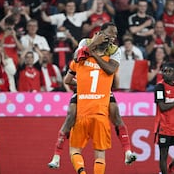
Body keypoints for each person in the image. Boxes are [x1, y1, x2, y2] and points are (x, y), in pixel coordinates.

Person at [48, 23, 137, 169]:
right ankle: (56, 155)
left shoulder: (115, 50)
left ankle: (127, 151)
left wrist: (93, 53)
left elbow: (111, 70)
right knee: (70, 115)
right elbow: (77, 58)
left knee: (115, 114)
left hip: (102, 88)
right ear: (100, 32)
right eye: (110, 34)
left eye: (115, 35)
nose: (113, 38)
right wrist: (84, 83)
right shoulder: (85, 42)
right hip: (86, 88)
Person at [66, 31, 116, 174]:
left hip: (82, 112)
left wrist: (82, 83)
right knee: (100, 153)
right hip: (100, 113)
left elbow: (67, 80)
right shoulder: (109, 63)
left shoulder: (80, 61)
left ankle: (81, 172)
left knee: (74, 149)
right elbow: (116, 83)